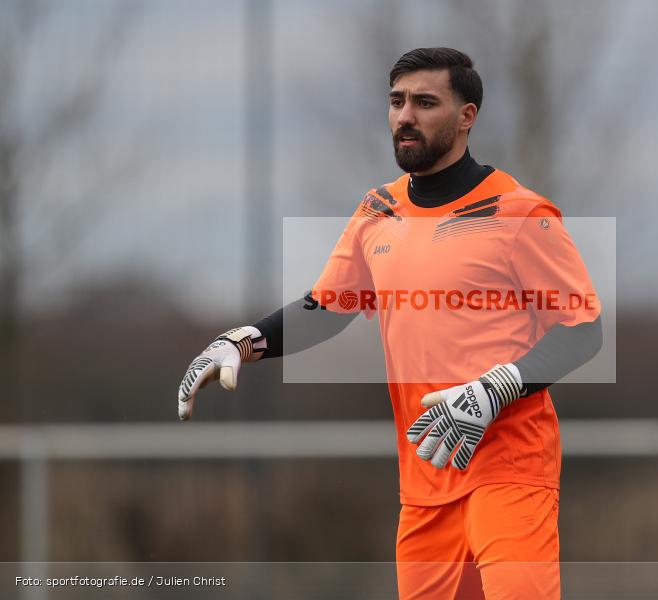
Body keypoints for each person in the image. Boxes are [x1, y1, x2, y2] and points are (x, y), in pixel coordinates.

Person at [178, 47, 603, 600]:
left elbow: (583, 330)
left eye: (426, 102)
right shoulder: (377, 209)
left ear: (466, 116)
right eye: (397, 101)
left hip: (509, 470)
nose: (406, 115)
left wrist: (493, 390)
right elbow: (327, 309)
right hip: (425, 482)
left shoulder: (520, 212)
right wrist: (244, 341)